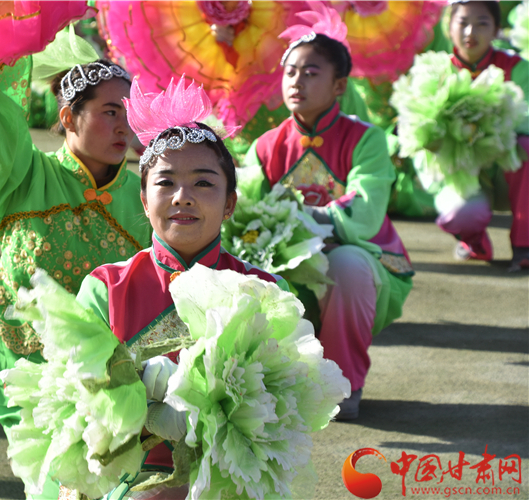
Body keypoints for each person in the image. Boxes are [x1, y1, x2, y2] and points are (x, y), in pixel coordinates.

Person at [0, 28, 152, 499]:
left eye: (129, 114)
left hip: (109, 378)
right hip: (25, 369)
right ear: (68, 117)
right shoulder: (23, 174)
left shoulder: (144, 201)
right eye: (109, 112)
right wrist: (0, 34)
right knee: (58, 488)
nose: (123, 127)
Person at [72, 76, 292, 499]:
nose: (182, 197)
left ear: (230, 203)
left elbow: (281, 410)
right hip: (126, 477)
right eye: (166, 182)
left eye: (204, 183)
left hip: (231, 478)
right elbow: (83, 406)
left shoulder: (265, 290)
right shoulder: (105, 288)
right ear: (142, 199)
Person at [242, 27, 414, 420]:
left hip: (364, 263)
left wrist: (295, 218)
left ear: (339, 86)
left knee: (347, 264)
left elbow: (365, 215)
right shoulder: (266, 145)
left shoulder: (366, 139)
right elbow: (246, 211)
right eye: (289, 72)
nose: (296, 81)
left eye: (310, 72)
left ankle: (343, 384)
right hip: (288, 268)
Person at [438, 0, 529, 270]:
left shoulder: (519, 68)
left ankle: (525, 245)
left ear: (497, 30)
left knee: (527, 145)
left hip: (507, 169)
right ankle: (472, 240)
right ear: (449, 28)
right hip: (462, 172)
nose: (470, 32)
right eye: (463, 23)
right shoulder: (436, 72)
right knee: (460, 213)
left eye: (481, 23)